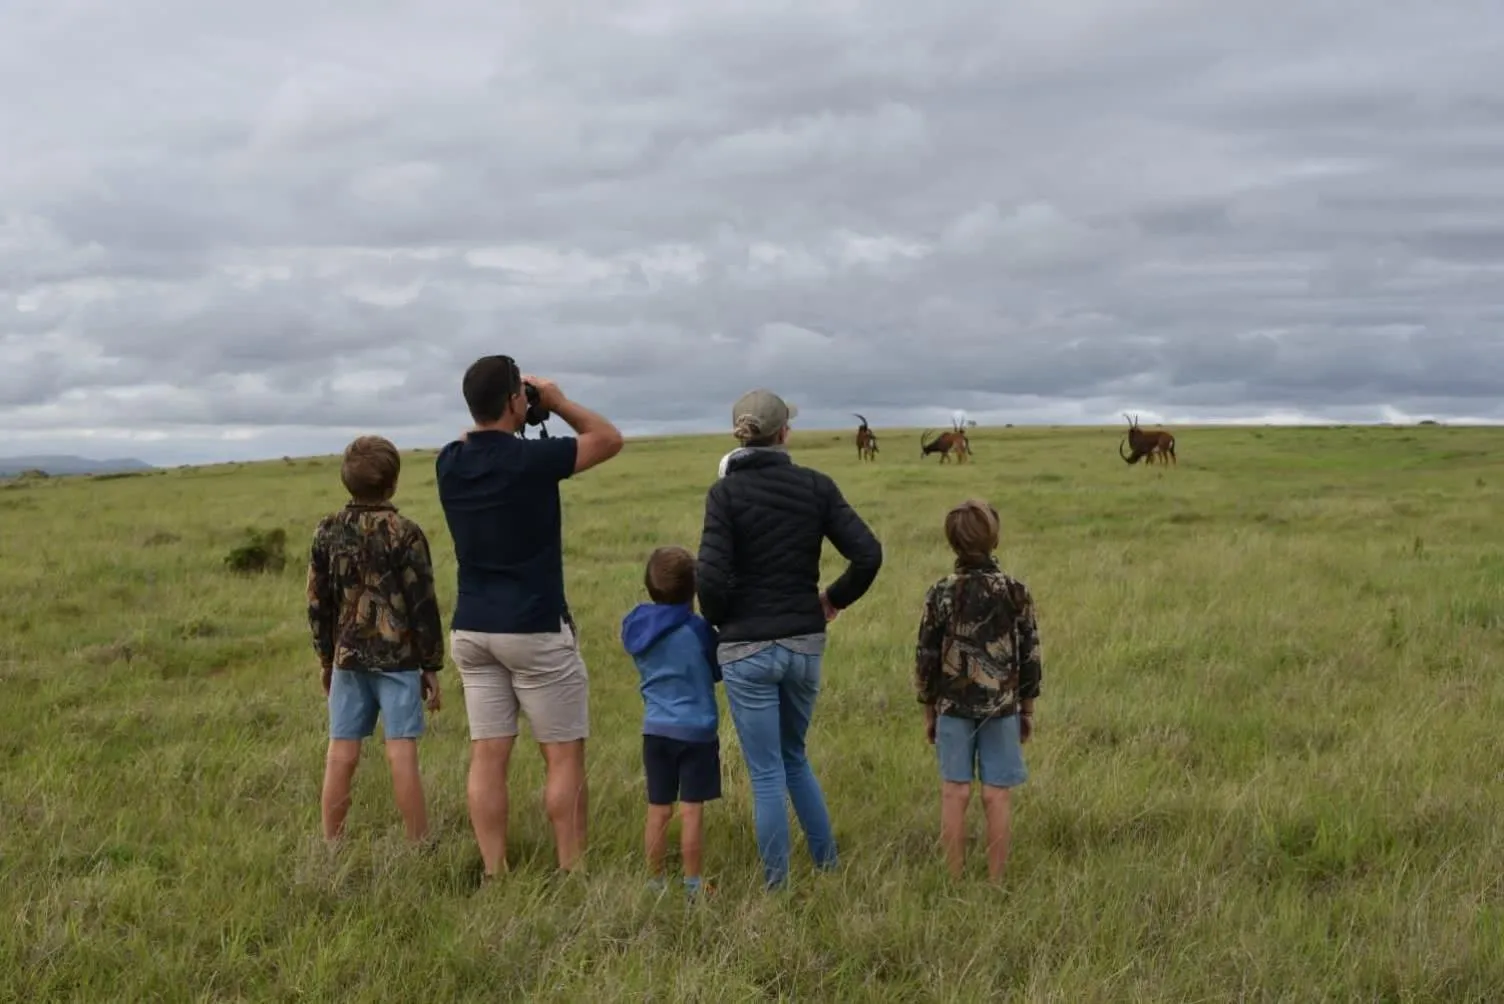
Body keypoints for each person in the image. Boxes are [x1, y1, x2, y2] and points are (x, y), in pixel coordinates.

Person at [436, 354, 624, 879]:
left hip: (472, 629)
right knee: (562, 757)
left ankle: (496, 870)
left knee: (488, 754)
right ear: (514, 402)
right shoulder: (530, 462)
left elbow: (476, 434)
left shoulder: (449, 462)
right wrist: (557, 401)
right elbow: (608, 439)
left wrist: (510, 406)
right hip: (534, 626)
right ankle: (572, 868)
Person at [696, 388, 883, 889]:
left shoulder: (724, 495)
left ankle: (777, 888)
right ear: (784, 434)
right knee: (795, 757)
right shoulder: (817, 486)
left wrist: (721, 622)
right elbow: (868, 555)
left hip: (746, 647)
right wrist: (832, 601)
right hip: (805, 641)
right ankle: (827, 869)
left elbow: (709, 580)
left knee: (765, 776)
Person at [307, 435, 444, 846]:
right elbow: (423, 604)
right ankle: (419, 843)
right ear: (393, 482)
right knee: (401, 753)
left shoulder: (327, 531)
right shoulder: (406, 533)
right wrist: (432, 664)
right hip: (399, 661)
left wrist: (326, 659)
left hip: (348, 659)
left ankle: (332, 844)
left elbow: (318, 603)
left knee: (341, 753)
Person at [913, 498, 1042, 882]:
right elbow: (1031, 656)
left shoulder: (940, 592)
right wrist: (1028, 709)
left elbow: (926, 658)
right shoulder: (1016, 591)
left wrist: (929, 711)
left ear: (953, 542)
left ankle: (953, 877)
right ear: (993, 539)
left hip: (951, 707)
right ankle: (996, 880)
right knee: (996, 794)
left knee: (955, 792)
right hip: (1002, 707)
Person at [620, 545, 722, 897]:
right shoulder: (698, 630)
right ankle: (693, 884)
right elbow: (718, 669)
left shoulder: (637, 629)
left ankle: (655, 881)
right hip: (697, 733)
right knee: (691, 811)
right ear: (694, 588)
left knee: (657, 810)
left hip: (655, 730)